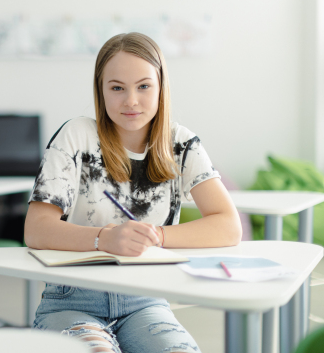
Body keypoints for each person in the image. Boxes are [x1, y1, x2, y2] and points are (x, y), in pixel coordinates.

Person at [24, 33, 242, 353]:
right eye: (117, 88)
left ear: (160, 87)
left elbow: (228, 226)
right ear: (101, 91)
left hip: (146, 300)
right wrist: (103, 239)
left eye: (143, 86)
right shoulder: (76, 135)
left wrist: (155, 235)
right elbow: (36, 229)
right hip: (72, 300)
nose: (131, 101)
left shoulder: (181, 143)